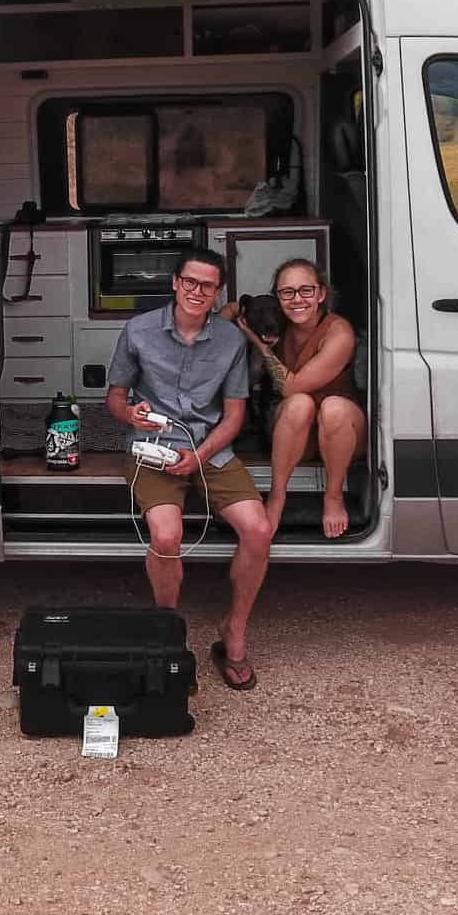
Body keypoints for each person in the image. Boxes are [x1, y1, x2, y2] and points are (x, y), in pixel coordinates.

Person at [105, 246, 273, 692]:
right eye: (190, 282)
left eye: (208, 285)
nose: (197, 291)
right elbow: (114, 400)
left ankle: (233, 631)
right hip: (155, 449)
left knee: (258, 529)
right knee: (165, 535)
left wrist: (199, 456)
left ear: (218, 294)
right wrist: (132, 415)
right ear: (176, 283)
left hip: (209, 449)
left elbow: (235, 415)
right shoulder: (138, 331)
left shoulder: (232, 340)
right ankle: (167, 632)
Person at [229, 258, 362, 539]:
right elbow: (229, 310)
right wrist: (231, 309)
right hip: (296, 434)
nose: (296, 300)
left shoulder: (338, 331)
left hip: (341, 433)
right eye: (287, 292)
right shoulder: (279, 321)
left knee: (332, 407)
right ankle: (277, 496)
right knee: (300, 404)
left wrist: (258, 344)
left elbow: (291, 387)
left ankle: (334, 496)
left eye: (306, 291)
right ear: (278, 298)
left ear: (321, 294)